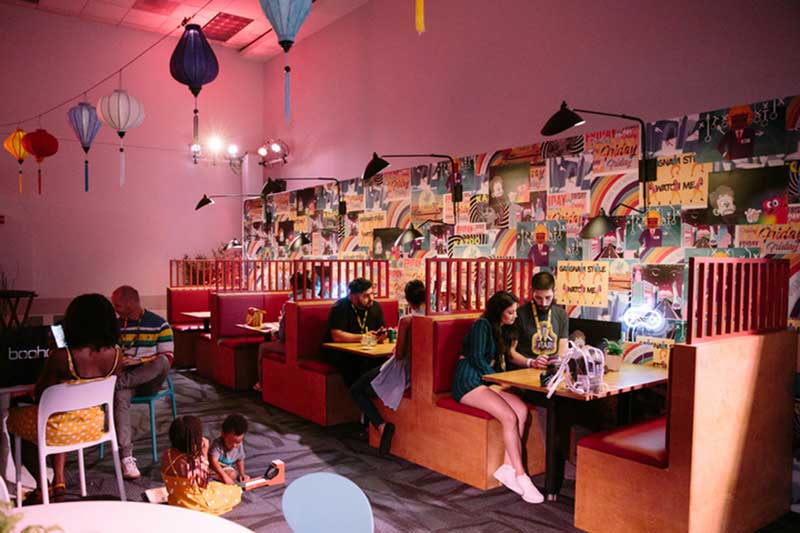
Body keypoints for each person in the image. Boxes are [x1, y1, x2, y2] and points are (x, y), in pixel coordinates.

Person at [8, 294, 121, 504]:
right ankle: (59, 480)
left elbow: (42, 394)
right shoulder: (117, 355)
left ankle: (42, 486)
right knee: (60, 415)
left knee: (16, 420)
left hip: (59, 427)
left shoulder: (61, 357)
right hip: (94, 426)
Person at [451, 291, 544, 504]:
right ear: (498, 312)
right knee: (509, 417)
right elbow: (476, 358)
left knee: (521, 411)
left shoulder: (501, 329)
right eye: (510, 312)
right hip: (468, 381)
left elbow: (507, 356)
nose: (515, 316)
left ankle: (507, 468)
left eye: (515, 312)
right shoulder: (482, 325)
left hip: (485, 381)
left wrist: (505, 377)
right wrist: (498, 380)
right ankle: (521, 474)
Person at [349, 280, 425, 456]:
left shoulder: (407, 320)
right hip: (422, 370)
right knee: (370, 378)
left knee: (356, 389)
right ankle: (367, 424)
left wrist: (395, 348)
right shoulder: (433, 316)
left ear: (408, 300)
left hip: (402, 370)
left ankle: (380, 425)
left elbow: (399, 355)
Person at [111, 285, 174, 480]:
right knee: (120, 397)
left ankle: (114, 385)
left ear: (130, 303)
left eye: (117, 305)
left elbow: (168, 357)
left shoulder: (159, 324)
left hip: (149, 379)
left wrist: (139, 361)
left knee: (161, 362)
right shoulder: (115, 326)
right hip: (127, 381)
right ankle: (126, 457)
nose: (115, 309)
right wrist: (119, 360)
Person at [160, 416, 241, 515]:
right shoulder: (191, 462)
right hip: (193, 505)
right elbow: (203, 484)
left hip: (175, 501)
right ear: (194, 440)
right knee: (234, 491)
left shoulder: (167, 454)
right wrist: (204, 453)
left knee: (218, 486)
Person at [254, 272, 313, 391]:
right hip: (312, 346)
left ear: (293, 286)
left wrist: (274, 333)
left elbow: (283, 335)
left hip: (294, 347)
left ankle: (262, 384)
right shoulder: (318, 299)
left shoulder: (291, 303)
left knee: (263, 347)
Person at [324, 278, 387, 388]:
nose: (371, 298)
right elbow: (337, 336)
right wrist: (363, 337)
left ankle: (374, 394)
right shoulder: (340, 307)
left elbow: (380, 329)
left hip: (367, 350)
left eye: (372, 294)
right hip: (341, 352)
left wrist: (381, 335)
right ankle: (357, 392)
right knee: (357, 364)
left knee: (384, 362)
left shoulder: (375, 307)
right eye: (366, 296)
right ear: (353, 296)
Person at [511, 271, 569, 370]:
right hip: (525, 370)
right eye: (538, 298)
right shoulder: (519, 314)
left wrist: (557, 362)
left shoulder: (561, 314)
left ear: (554, 291)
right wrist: (531, 362)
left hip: (551, 370)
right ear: (531, 292)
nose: (543, 303)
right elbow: (510, 352)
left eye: (548, 297)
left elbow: (563, 349)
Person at [208, 414, 250, 485]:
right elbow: (213, 462)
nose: (234, 445)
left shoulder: (239, 445)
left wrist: (242, 474)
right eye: (230, 442)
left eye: (238, 442)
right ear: (223, 434)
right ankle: (211, 477)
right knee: (231, 475)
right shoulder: (217, 445)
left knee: (233, 474)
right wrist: (224, 477)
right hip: (212, 469)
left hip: (225, 469)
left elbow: (240, 459)